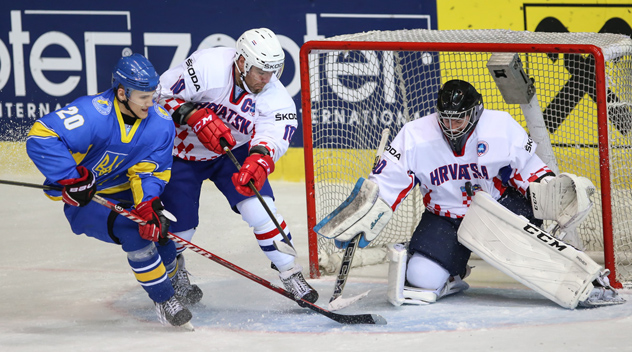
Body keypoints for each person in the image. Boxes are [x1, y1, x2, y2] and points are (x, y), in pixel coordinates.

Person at [317, 79, 624, 308]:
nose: (451, 125)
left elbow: (532, 172)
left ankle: (586, 284)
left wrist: (551, 192)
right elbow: (386, 183)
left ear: (475, 112)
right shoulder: (415, 135)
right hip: (445, 217)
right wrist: (367, 208)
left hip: (498, 212)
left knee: (534, 264)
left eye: (458, 118)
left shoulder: (499, 127)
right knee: (422, 280)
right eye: (446, 118)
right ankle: (452, 273)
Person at [25, 54, 199, 328]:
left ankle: (175, 275)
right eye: (143, 97)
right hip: (88, 200)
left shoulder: (161, 123)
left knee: (160, 231)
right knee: (136, 234)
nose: (150, 102)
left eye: (153, 94)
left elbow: (150, 171)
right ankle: (164, 300)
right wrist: (71, 179)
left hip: (127, 192)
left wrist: (148, 203)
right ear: (122, 92)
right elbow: (41, 136)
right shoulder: (93, 113)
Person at [156, 28, 318, 303]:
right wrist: (192, 113)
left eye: (273, 72)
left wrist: (259, 159)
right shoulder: (207, 67)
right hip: (181, 153)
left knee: (262, 212)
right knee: (179, 231)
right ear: (241, 62)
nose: (267, 80)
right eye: (260, 71)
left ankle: (290, 271)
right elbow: (157, 95)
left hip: (232, 150)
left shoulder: (275, 96)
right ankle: (174, 269)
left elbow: (272, 136)